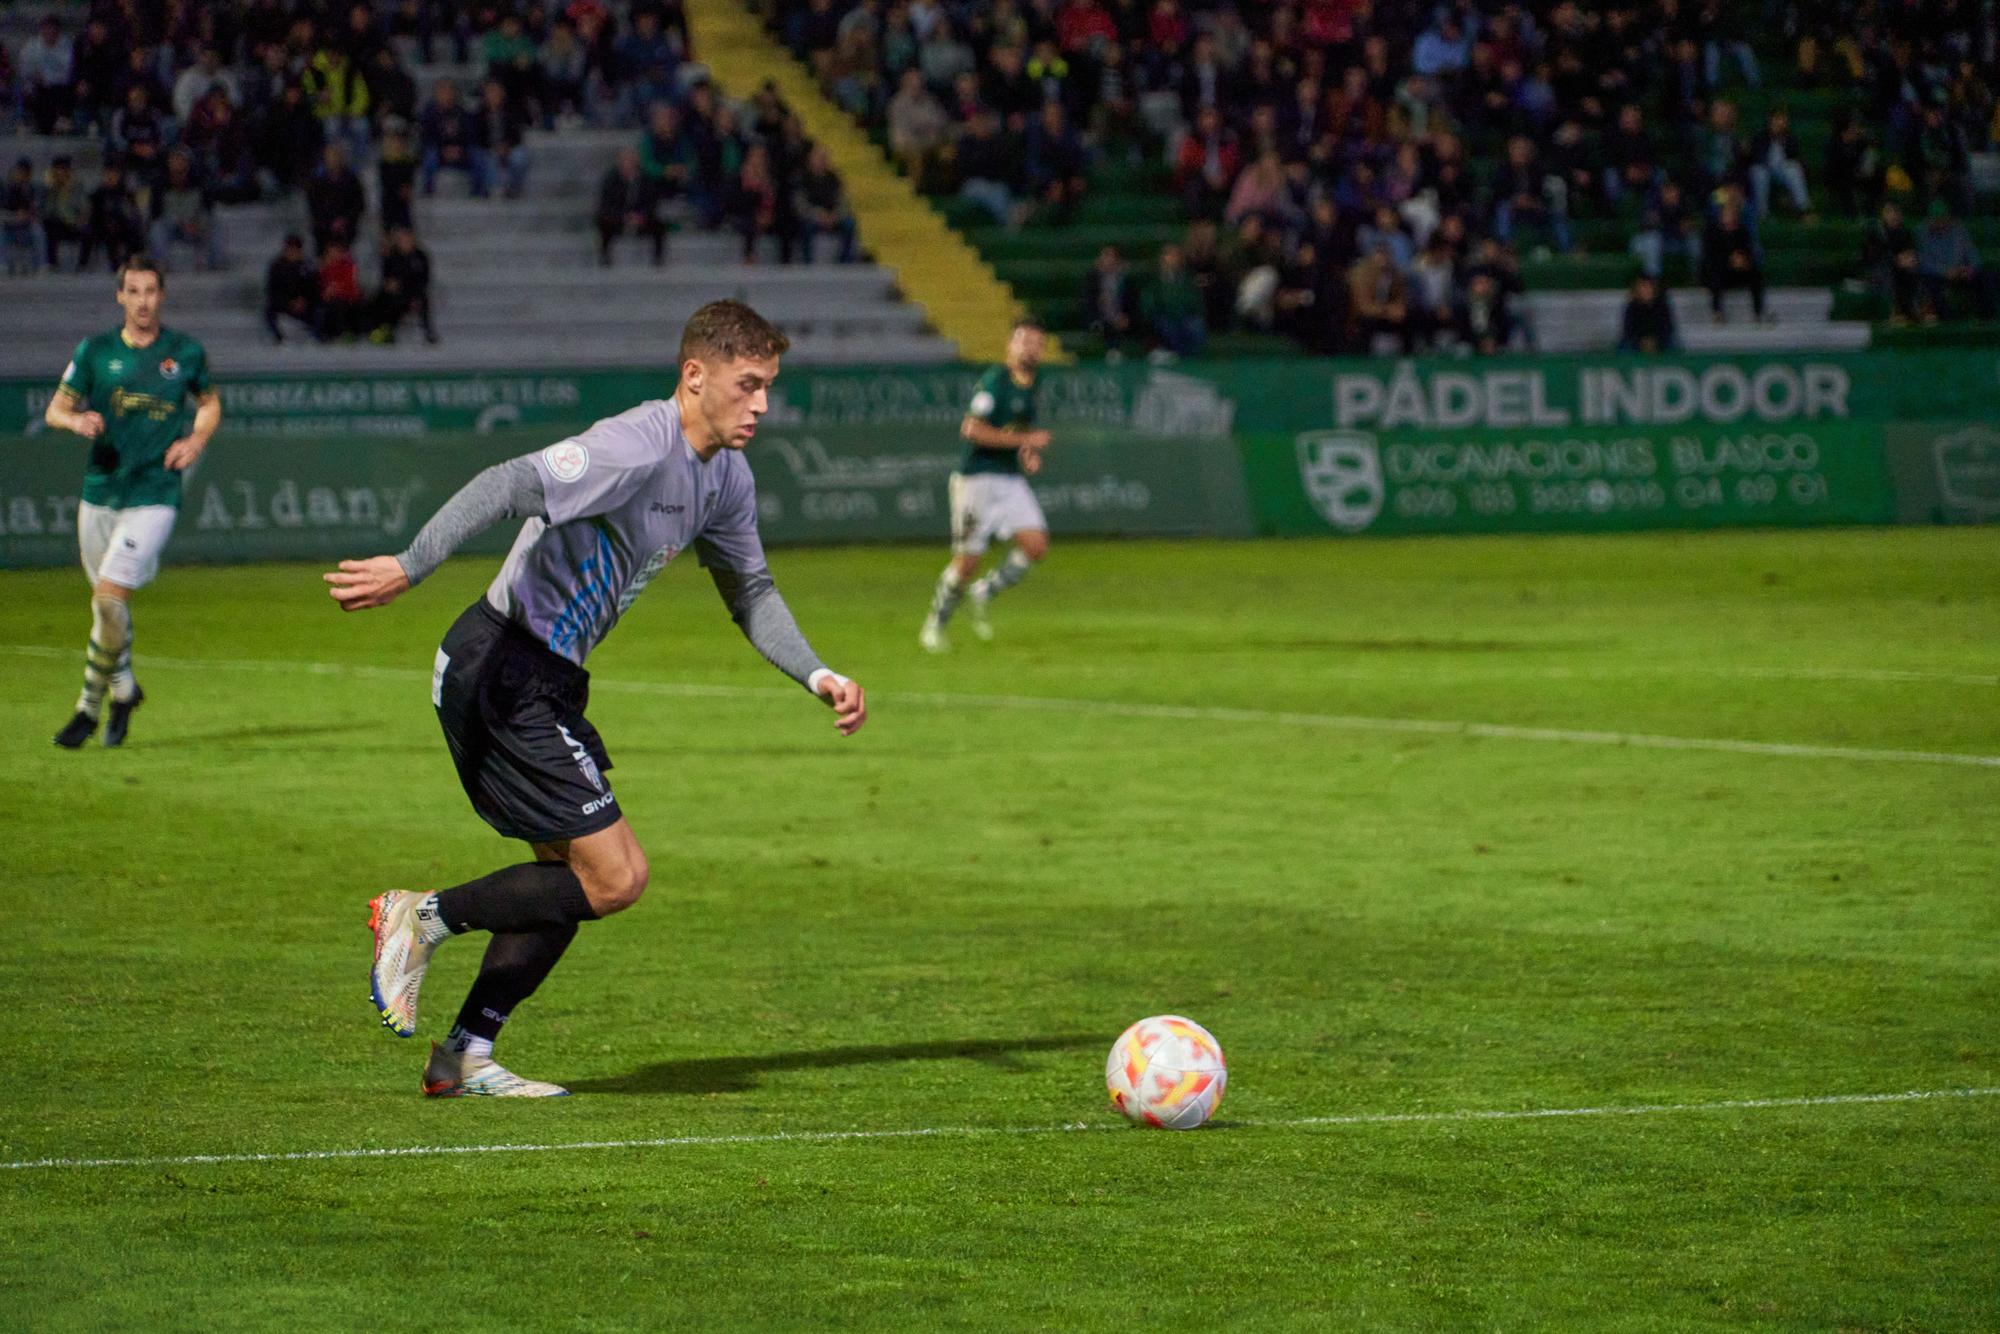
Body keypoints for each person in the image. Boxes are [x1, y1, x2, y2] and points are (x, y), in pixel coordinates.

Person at [325, 300, 867, 1098]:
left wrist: (818, 674)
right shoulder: (637, 446)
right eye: (747, 384)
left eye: (768, 387)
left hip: (545, 679)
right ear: (694, 377)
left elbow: (749, 589)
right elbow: (510, 482)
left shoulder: (726, 478)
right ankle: (421, 917)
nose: (761, 405)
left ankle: (463, 1056)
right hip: (500, 667)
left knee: (568, 877)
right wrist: (412, 563)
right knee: (616, 878)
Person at [45, 256, 221, 749]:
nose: (143, 301)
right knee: (107, 610)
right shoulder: (96, 351)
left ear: (162, 296)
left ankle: (87, 708)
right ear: (120, 297)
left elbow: (208, 403)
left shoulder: (184, 352)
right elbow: (56, 408)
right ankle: (123, 689)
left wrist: (196, 441)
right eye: (133, 291)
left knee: (110, 595)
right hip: (100, 491)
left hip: (155, 493)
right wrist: (75, 421)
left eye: (151, 291)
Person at [920, 319, 1052, 653]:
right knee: (967, 561)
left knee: (1036, 545)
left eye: (1037, 342)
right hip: (976, 479)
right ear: (1010, 346)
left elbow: (1016, 432)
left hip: (1008, 478)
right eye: (1023, 341)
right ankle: (934, 625)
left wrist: (1027, 453)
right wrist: (1026, 439)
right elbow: (972, 430)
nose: (1030, 348)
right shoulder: (996, 381)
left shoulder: (1034, 385)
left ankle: (985, 592)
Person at [596, 146, 665, 265]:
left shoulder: (646, 179)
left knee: (658, 225)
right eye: (625, 160)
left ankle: (658, 259)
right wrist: (624, 217)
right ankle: (605, 258)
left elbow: (652, 202)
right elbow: (606, 204)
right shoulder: (610, 179)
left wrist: (640, 216)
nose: (628, 164)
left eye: (631, 161)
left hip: (640, 219)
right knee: (603, 222)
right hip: (618, 219)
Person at [1702, 196, 1766, 323]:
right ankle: (1717, 313)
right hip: (1721, 272)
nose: (1728, 217)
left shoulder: (1742, 231)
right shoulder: (1712, 232)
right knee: (1715, 275)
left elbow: (1749, 252)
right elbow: (1709, 256)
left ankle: (1758, 313)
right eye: (1726, 214)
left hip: (1739, 271)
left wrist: (1743, 261)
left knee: (1755, 274)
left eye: (1731, 214)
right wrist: (1729, 260)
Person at [370, 225, 438, 343]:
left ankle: (428, 332)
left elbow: (423, 279)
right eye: (401, 239)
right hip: (396, 293)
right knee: (383, 298)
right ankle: (384, 330)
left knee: (421, 299)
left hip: (413, 292)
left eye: (406, 239)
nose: (404, 242)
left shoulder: (420, 256)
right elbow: (387, 277)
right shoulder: (392, 257)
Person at [264, 233, 319, 341]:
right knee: (270, 310)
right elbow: (272, 290)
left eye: (295, 249)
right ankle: (279, 336)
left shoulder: (307, 266)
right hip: (284, 304)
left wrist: (303, 300)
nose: (292, 252)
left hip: (305, 306)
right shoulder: (277, 267)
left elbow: (314, 288)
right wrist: (289, 301)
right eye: (290, 248)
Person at [1617, 274, 1681, 352]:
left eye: (1648, 287)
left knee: (1673, 344)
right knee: (1625, 347)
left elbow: (1667, 327)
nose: (1645, 290)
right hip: (1637, 342)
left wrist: (1655, 340)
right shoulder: (1632, 307)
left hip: (1659, 340)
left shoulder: (1662, 306)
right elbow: (1628, 329)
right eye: (1642, 287)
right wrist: (1642, 341)